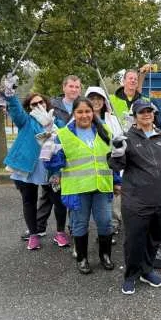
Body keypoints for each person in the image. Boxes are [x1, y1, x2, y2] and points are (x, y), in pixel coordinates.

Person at [108, 99, 161, 295]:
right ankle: (131, 275)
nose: (147, 114)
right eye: (142, 112)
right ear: (135, 116)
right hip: (136, 200)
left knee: (154, 237)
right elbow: (117, 166)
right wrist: (116, 152)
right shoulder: (126, 138)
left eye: (149, 111)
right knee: (134, 240)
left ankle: (147, 270)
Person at [45, 98, 118, 274]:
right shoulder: (63, 135)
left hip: (102, 186)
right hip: (77, 188)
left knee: (106, 223)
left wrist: (117, 181)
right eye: (80, 112)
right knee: (79, 224)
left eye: (88, 111)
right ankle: (82, 258)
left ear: (93, 113)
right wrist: (52, 155)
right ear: (74, 114)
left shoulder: (104, 131)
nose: (84, 115)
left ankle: (105, 256)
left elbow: (111, 161)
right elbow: (52, 165)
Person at [0, 85, 69, 250]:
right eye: (34, 104)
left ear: (46, 103)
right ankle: (33, 235)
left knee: (58, 201)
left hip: (50, 169)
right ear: (29, 108)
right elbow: (15, 111)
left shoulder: (56, 120)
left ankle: (60, 232)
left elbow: (65, 140)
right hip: (27, 169)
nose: (39, 105)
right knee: (28, 201)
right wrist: (10, 96)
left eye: (41, 102)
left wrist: (51, 126)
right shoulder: (25, 120)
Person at [21, 75, 81, 241]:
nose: (74, 89)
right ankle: (38, 227)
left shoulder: (81, 104)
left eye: (77, 87)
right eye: (71, 86)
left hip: (72, 154)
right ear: (64, 88)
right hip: (52, 157)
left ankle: (71, 227)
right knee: (49, 194)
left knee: (68, 192)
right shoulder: (53, 105)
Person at [85, 87, 123, 235]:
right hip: (86, 169)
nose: (95, 101)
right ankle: (79, 231)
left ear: (104, 101)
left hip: (109, 167)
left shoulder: (112, 119)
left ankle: (112, 227)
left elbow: (119, 140)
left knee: (112, 200)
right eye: (92, 98)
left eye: (99, 98)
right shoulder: (79, 118)